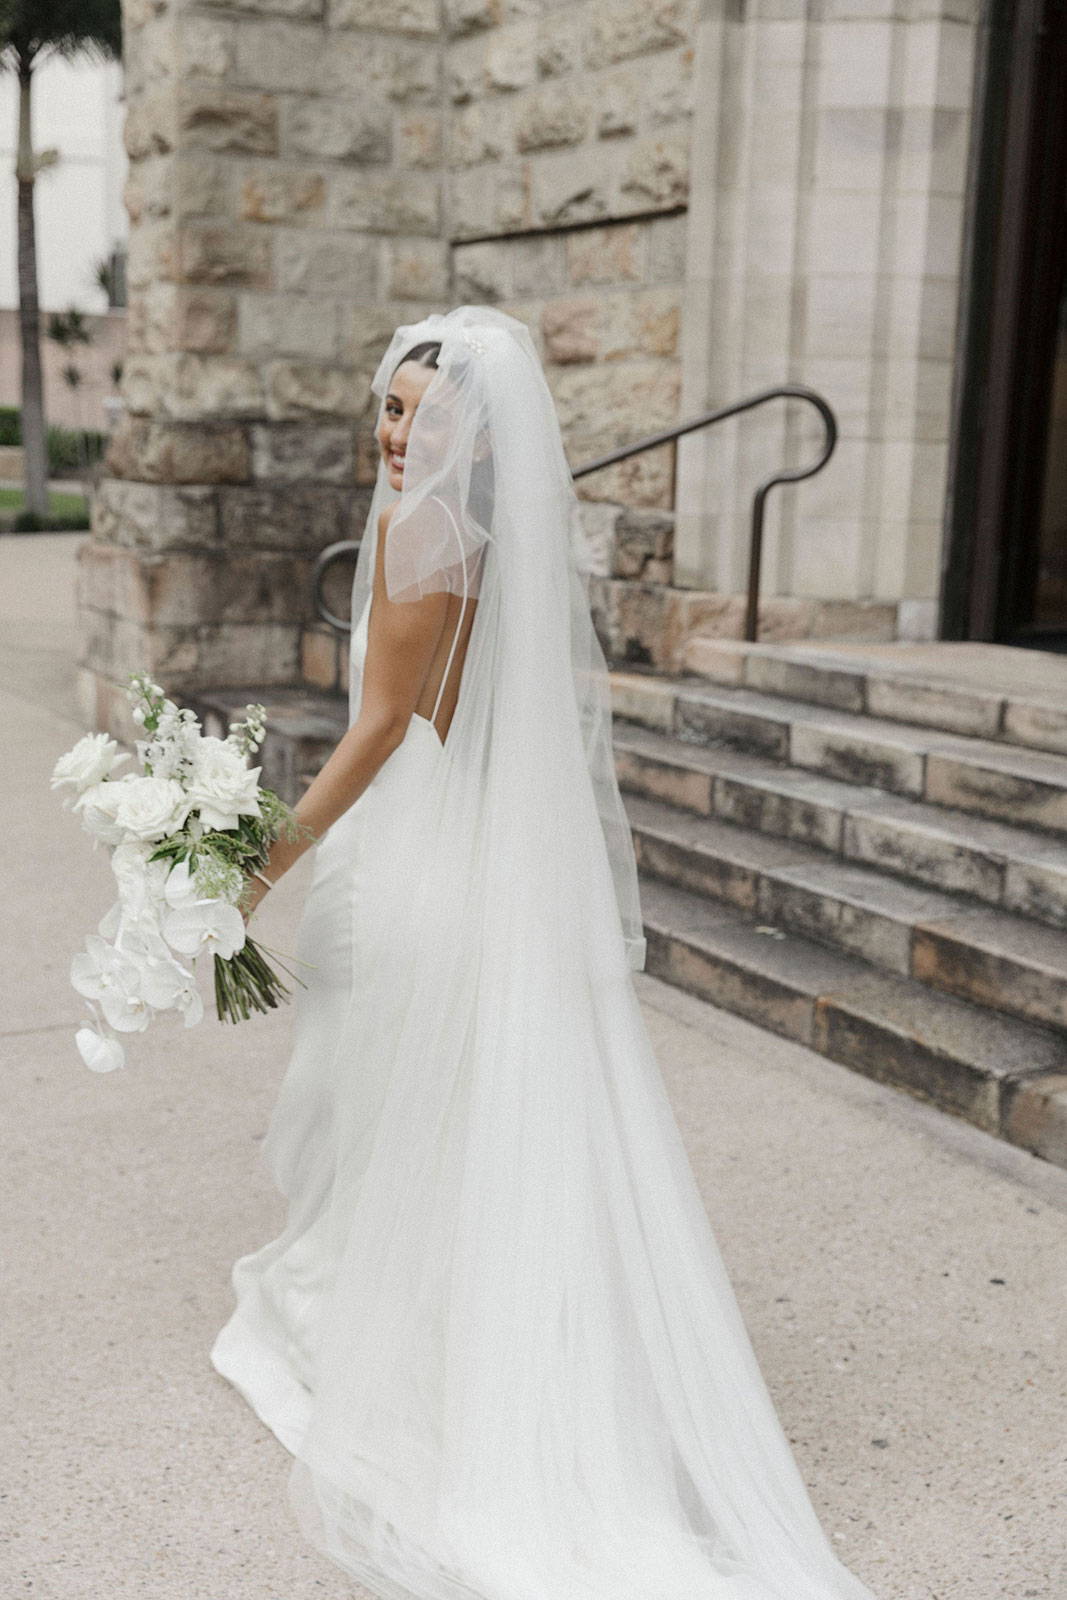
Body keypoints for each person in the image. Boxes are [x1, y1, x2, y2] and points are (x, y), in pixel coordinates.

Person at [212, 306, 881, 1600]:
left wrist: (249, 870)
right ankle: (482, 1353)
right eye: (391, 411)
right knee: (448, 1117)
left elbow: (380, 732)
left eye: (427, 413)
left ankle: (404, 1360)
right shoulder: (503, 541)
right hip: (473, 866)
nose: (399, 436)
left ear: (483, 431)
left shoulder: (421, 536)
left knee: (376, 1106)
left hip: (407, 870)